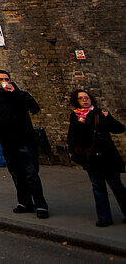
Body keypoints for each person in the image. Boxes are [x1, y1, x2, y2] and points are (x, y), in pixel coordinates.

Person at [0, 69, 48, 218]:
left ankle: (41, 205)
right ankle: (24, 202)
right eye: (0, 79)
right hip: (7, 140)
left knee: (31, 173)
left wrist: (16, 92)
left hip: (25, 138)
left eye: (6, 79)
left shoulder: (20, 95)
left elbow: (35, 108)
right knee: (16, 173)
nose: (3, 81)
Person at [68, 89, 126, 227]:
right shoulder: (75, 116)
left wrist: (109, 118)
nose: (85, 100)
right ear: (76, 101)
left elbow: (119, 128)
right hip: (91, 158)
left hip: (107, 156)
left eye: (87, 97)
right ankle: (104, 217)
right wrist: (74, 152)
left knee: (117, 187)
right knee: (98, 187)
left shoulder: (100, 113)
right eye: (81, 98)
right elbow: (72, 136)